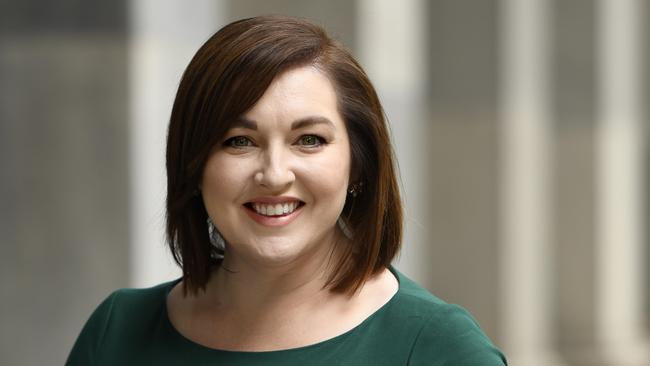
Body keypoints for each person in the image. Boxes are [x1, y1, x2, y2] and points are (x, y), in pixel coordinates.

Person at [66, 15, 507, 365]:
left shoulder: (440, 350)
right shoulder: (117, 332)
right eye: (239, 141)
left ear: (359, 165)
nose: (274, 174)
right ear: (194, 165)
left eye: (309, 140)